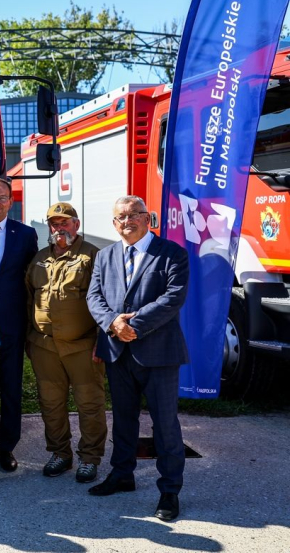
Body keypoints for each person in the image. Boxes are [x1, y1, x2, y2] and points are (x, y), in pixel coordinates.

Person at [86, 195, 190, 522]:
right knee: (124, 418)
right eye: (120, 217)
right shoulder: (105, 256)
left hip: (158, 353)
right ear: (113, 223)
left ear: (148, 219)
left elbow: (173, 297)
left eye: (134, 215)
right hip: (118, 352)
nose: (126, 222)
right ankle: (122, 475)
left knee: (165, 425)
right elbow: (94, 296)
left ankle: (170, 491)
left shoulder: (173, 254)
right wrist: (112, 324)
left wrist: (135, 325)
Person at [25, 202, 106, 483]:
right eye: (54, 223)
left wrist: (102, 341)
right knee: (51, 403)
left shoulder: (93, 256)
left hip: (82, 346)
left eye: (65, 222)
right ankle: (60, 453)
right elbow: (28, 299)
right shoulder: (38, 259)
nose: (60, 228)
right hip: (44, 346)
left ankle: (89, 459)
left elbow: (106, 301)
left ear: (77, 225)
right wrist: (29, 341)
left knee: (90, 404)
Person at [0, 177, 38, 473]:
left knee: (12, 387)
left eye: (2, 198)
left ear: (10, 202)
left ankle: (6, 448)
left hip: (12, 322)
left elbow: (30, 280)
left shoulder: (25, 235)